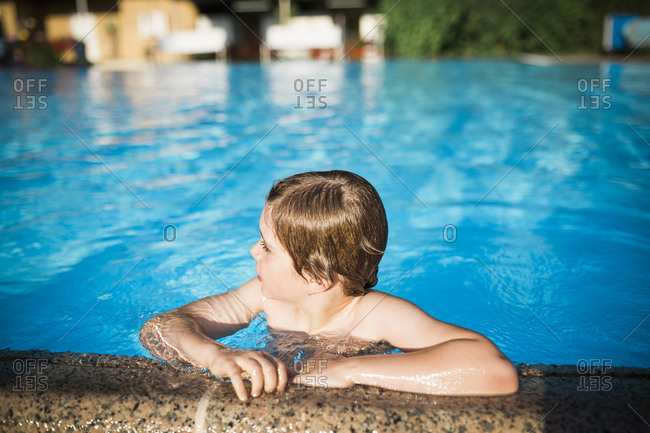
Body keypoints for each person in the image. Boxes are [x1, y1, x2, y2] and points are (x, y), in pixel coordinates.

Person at [140, 170, 518, 401]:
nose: (252, 250)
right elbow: (160, 327)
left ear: (317, 278)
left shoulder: (376, 315)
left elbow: (493, 370)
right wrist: (214, 355)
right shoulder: (266, 297)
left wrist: (348, 371)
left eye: (267, 247)